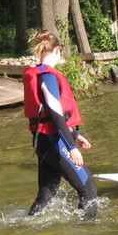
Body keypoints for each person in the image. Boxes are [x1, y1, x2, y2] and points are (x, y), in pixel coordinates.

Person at [23, 30, 98, 218]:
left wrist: (74, 135)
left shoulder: (40, 74)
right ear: (58, 50)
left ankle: (27, 229)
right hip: (52, 140)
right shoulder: (48, 77)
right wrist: (72, 147)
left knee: (47, 196)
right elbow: (56, 115)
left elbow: (50, 116)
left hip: (43, 141)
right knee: (89, 190)